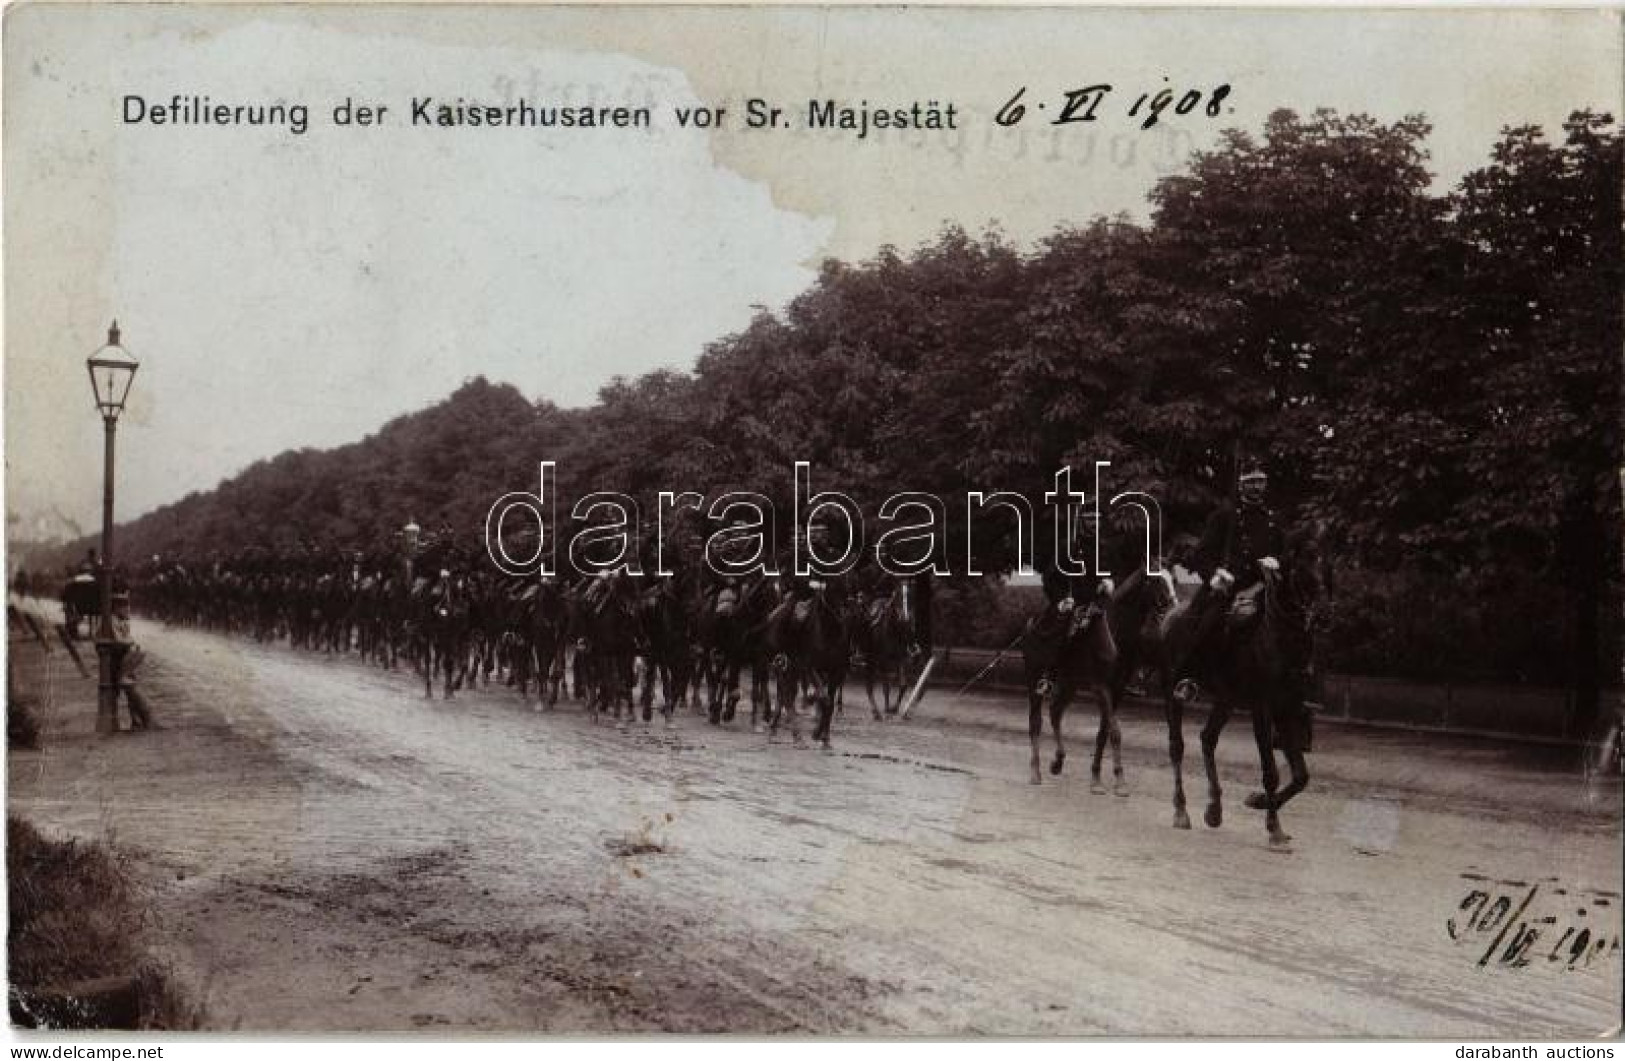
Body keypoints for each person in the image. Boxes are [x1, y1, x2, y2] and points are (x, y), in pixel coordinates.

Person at [1176, 460, 1311, 704]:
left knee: (1298, 622)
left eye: (1261, 482)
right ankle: (1190, 678)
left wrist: (1277, 562)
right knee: (1209, 622)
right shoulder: (1224, 516)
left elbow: (1287, 554)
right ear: (1242, 485)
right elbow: (1201, 554)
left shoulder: (1274, 519)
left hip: (1265, 587)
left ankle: (1297, 681)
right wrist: (1216, 575)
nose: (1257, 487)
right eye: (1252, 482)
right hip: (1229, 587)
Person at [110, 591, 154, 730]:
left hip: (123, 658)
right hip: (115, 660)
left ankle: (138, 721)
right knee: (130, 687)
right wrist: (130, 642)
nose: (128, 611)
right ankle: (145, 719)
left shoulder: (121, 621)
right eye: (125, 608)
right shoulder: (111, 621)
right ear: (116, 608)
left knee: (131, 685)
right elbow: (118, 641)